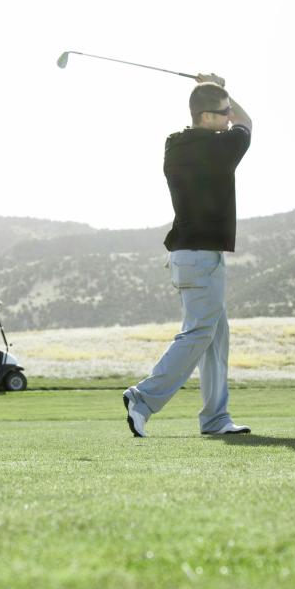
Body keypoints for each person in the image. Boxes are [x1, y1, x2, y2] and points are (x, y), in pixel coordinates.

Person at [122, 74, 253, 438]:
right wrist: (225, 89)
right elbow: (247, 123)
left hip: (185, 257)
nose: (229, 117)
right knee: (198, 334)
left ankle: (215, 418)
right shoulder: (222, 148)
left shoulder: (174, 144)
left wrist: (212, 92)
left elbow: (223, 118)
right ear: (208, 116)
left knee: (215, 336)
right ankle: (143, 398)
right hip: (202, 258)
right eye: (223, 111)